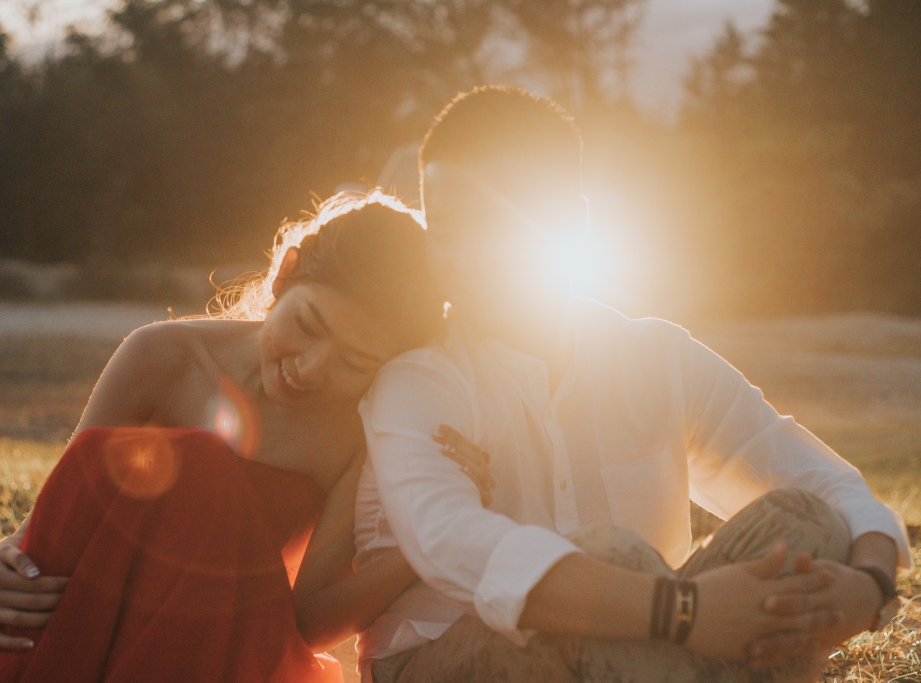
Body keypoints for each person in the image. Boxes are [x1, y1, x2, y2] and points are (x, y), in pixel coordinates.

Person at [354, 86, 911, 682]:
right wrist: (684, 610)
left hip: (654, 655)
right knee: (607, 556)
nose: (463, 256)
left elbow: (820, 482)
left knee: (805, 522)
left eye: (496, 222)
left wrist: (869, 583)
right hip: (444, 659)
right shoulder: (416, 381)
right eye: (445, 228)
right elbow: (453, 540)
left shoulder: (656, 356)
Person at [0, 191, 485, 682]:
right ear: (286, 273)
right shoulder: (159, 355)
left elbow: (308, 620)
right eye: (309, 325)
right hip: (81, 625)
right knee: (186, 462)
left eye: (355, 362)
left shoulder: (352, 434)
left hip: (218, 655)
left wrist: (425, 545)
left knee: (201, 467)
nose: (311, 369)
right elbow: (54, 519)